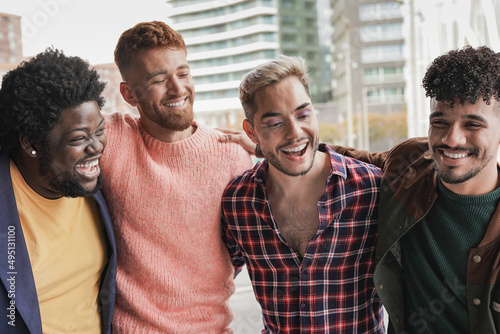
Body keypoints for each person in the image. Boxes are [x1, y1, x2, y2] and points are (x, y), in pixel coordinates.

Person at [331, 45, 500, 333]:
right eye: (439, 122)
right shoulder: (409, 164)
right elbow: (345, 158)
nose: (452, 139)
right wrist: (269, 144)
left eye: (472, 124)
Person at [100, 21, 253, 332]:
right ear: (130, 94)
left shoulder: (233, 155)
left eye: (183, 73)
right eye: (158, 79)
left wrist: (270, 151)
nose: (178, 88)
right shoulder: (112, 138)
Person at [220, 55, 385, 333]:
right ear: (252, 132)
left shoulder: (370, 188)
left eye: (303, 114)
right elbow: (207, 282)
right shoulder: (238, 202)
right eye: (274, 123)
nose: (295, 133)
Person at [0, 49, 116, 333]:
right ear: (30, 143)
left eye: (99, 131)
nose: (97, 147)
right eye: (79, 138)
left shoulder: (93, 179)